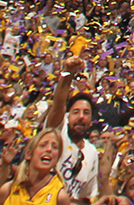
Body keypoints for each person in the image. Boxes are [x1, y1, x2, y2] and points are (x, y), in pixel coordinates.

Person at [45, 57, 101, 203]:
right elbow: (58, 106)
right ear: (68, 116)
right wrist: (68, 73)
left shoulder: (92, 152)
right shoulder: (59, 132)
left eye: (86, 113)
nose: (81, 117)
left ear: (91, 121)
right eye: (76, 112)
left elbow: (86, 197)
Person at [0, 127, 71, 205]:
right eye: (43, 145)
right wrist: (5, 164)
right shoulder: (7, 190)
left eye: (55, 147)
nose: (49, 149)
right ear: (28, 154)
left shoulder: (60, 197)